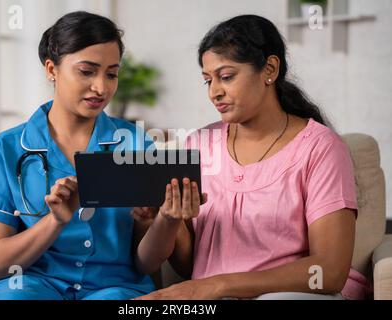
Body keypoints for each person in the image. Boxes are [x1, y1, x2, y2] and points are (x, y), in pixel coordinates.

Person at [135, 15, 372, 300]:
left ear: (269, 69)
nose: (214, 92)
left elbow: (328, 272)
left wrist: (219, 285)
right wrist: (169, 218)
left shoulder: (320, 148)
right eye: (208, 80)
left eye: (226, 77)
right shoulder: (199, 145)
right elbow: (192, 267)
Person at [0, 11, 162, 300]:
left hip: (111, 288)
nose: (101, 87)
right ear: (51, 69)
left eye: (111, 74)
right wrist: (55, 221)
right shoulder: (6, 148)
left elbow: (146, 262)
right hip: (29, 285)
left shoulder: (135, 144)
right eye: (87, 71)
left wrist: (160, 220)